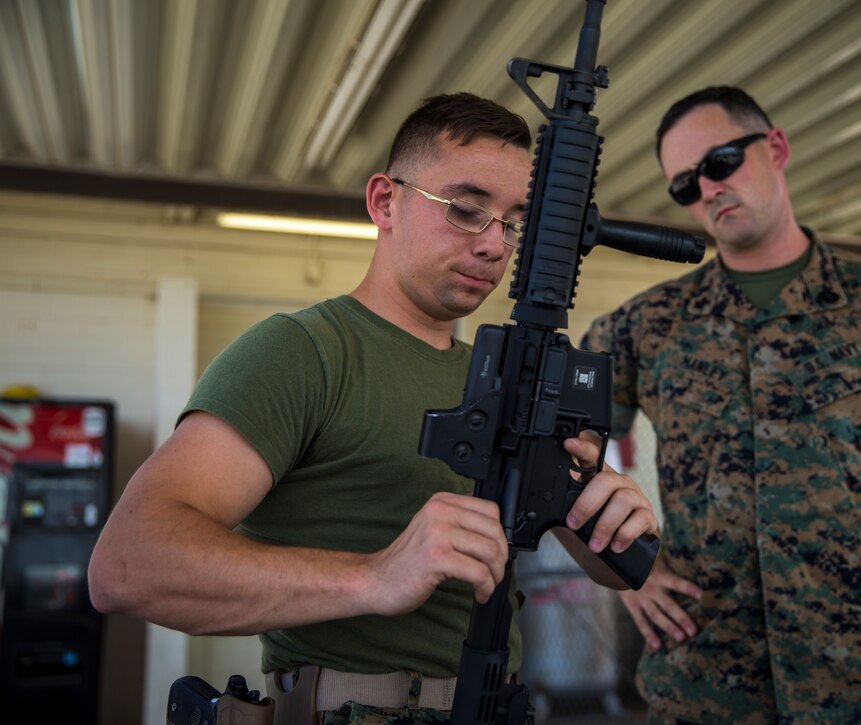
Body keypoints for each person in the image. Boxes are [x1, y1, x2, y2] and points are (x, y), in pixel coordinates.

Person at [88, 92, 658, 724]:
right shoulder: (305, 352)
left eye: (515, 222)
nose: (496, 244)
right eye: (467, 210)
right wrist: (375, 576)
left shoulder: (501, 379)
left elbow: (605, 566)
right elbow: (129, 564)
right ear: (386, 201)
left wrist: (611, 515)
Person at [582, 86, 861, 724]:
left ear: (775, 148)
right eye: (685, 184)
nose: (707, 190)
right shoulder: (640, 328)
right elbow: (566, 455)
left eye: (719, 163)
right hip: (708, 692)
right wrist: (626, 567)